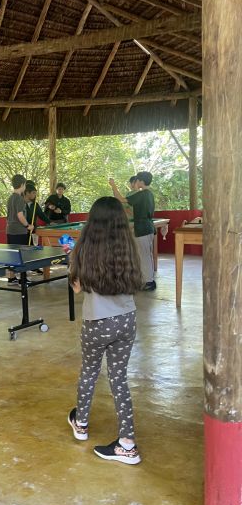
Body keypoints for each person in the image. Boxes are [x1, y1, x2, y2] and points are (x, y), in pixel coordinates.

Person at [67, 196, 143, 465]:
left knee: (89, 372)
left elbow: (77, 289)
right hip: (126, 320)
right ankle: (127, 444)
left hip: (97, 322)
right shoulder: (129, 248)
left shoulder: (84, 249)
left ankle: (81, 425)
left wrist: (71, 262)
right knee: (119, 378)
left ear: (93, 221)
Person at [110, 171, 156, 291]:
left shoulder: (141, 194)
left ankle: (149, 282)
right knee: (147, 255)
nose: (136, 182)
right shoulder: (149, 194)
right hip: (149, 227)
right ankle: (148, 279)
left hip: (142, 228)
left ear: (141, 181)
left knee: (144, 256)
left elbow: (120, 199)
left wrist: (113, 185)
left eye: (138, 180)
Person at [5, 174, 34, 284]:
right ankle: (23, 279)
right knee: (22, 255)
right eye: (25, 184)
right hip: (19, 231)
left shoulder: (10, 198)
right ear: (22, 185)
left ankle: (11, 278)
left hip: (10, 230)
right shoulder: (20, 199)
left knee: (12, 255)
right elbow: (20, 215)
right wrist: (28, 226)